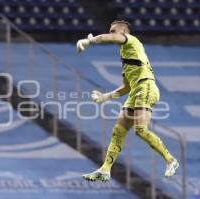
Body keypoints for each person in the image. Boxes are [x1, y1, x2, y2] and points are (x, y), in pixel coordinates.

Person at [76, 20, 179, 182]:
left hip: (146, 86)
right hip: (136, 91)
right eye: (110, 30)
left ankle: (171, 160)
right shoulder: (125, 54)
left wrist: (89, 41)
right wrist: (105, 97)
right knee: (118, 131)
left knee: (140, 130)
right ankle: (105, 169)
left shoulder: (132, 41)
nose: (111, 33)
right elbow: (126, 87)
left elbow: (108, 39)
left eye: (113, 30)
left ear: (124, 30)